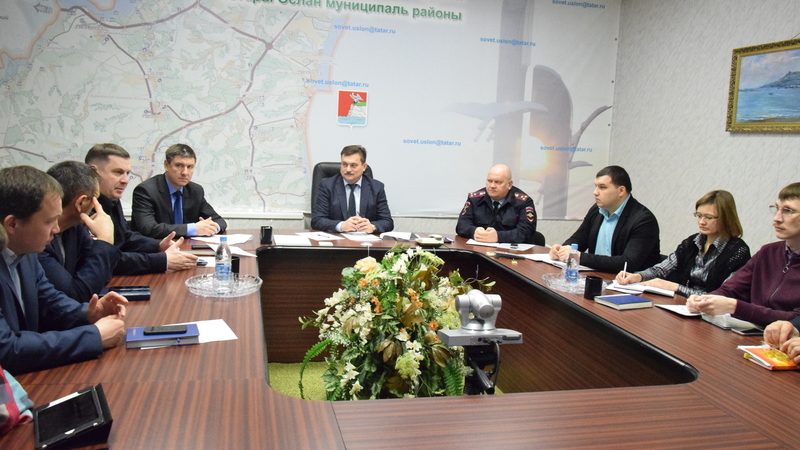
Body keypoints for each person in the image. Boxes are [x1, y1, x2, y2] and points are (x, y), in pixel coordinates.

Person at [0, 166, 127, 374]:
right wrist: (94, 336)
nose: (57, 229)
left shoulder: (25, 252)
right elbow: (6, 349)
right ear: (12, 224)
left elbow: (49, 300)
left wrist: (87, 313)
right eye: (49, 221)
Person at [687, 182, 800, 327]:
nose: (776, 218)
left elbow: (796, 320)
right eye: (777, 208)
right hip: (751, 334)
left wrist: (735, 307)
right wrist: (704, 300)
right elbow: (730, 289)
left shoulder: (738, 249)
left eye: (788, 211)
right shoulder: (767, 252)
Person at [85, 143, 198, 275]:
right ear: (94, 172)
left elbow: (125, 237)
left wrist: (158, 246)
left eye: (127, 173)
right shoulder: (83, 208)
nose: (125, 180)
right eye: (118, 172)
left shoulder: (111, 199)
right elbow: (106, 259)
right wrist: (162, 260)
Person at [615, 190, 750, 297]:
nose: (701, 222)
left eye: (709, 217)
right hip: (682, 305)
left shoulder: (738, 251)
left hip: (712, 314)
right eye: (699, 215)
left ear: (726, 218)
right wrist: (638, 276)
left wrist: (676, 288)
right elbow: (662, 269)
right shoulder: (693, 242)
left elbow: (722, 296)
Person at [549, 166, 661, 273]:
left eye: (602, 187)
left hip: (629, 282)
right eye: (596, 186)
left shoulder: (643, 220)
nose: (595, 192)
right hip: (597, 275)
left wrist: (579, 257)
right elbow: (579, 238)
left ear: (621, 191)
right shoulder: (597, 210)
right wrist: (563, 249)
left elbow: (628, 263)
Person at [39, 161, 122, 302]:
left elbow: (102, 269)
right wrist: (105, 240)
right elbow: (76, 295)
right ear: (81, 202)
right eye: (96, 199)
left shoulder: (73, 227)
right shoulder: (38, 240)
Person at [131, 143, 227, 239]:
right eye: (179, 165)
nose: (185, 172)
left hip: (187, 246)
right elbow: (148, 228)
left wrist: (210, 227)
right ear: (166, 165)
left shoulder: (195, 191)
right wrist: (193, 229)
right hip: (155, 246)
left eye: (190, 167)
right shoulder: (146, 191)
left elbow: (220, 221)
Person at [311, 145, 393, 234]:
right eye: (344, 164)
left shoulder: (377, 187)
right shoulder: (327, 185)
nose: (348, 169)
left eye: (353, 165)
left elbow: (387, 221)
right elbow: (317, 220)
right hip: (337, 239)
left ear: (364, 167)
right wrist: (341, 226)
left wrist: (373, 227)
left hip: (365, 239)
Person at [456, 164, 537, 244]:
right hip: (480, 248)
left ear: (509, 184)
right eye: (489, 181)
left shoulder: (524, 202)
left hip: (511, 250)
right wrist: (474, 231)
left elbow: (526, 231)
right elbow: (461, 225)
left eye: (498, 182)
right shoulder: (475, 199)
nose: (492, 186)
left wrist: (498, 236)